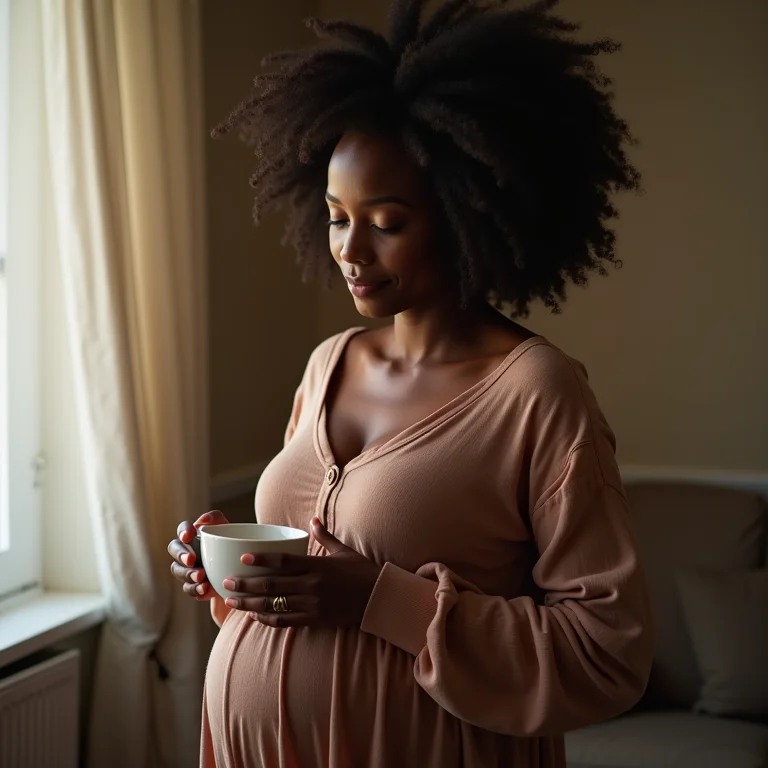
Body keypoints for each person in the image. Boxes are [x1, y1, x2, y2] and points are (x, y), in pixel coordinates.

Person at [167, 0, 653, 765]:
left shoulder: (538, 394)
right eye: (334, 217)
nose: (350, 250)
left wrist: (377, 599)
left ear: (469, 214)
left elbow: (607, 653)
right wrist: (236, 583)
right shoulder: (329, 362)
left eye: (386, 221)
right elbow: (306, 608)